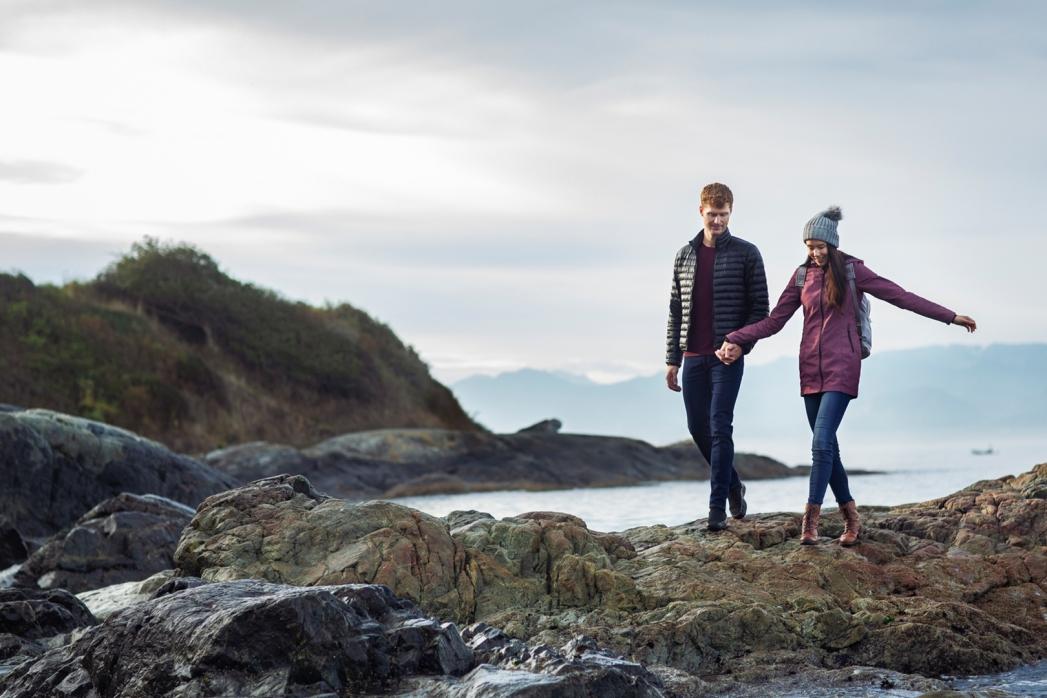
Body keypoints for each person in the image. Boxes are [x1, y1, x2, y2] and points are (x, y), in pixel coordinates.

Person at [717, 206, 977, 546]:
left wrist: (949, 316)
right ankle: (851, 518)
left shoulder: (854, 272)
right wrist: (737, 336)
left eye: (820, 246)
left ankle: (809, 522)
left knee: (820, 442)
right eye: (809, 246)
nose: (815, 252)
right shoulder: (801, 276)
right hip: (809, 368)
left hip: (843, 365)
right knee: (829, 449)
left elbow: (901, 296)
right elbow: (774, 321)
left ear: (833, 245)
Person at [665, 183, 769, 531]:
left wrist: (741, 343)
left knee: (720, 426)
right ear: (701, 212)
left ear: (731, 212)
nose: (718, 220)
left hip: (727, 356)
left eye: (724, 214)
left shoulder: (747, 253)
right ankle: (733, 485)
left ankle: (716, 511)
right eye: (713, 214)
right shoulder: (684, 255)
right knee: (699, 428)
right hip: (692, 355)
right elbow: (675, 310)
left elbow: (760, 310)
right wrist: (672, 359)